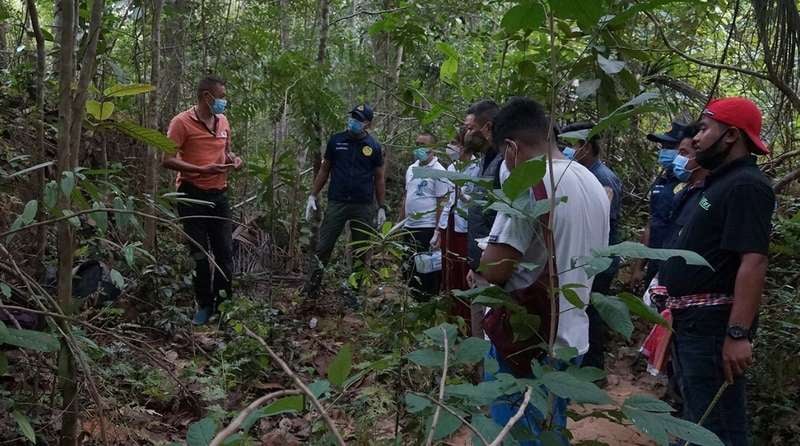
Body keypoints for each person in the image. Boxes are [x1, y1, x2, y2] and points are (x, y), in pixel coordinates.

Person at [469, 97, 610, 444]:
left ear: (512, 147)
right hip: (571, 334)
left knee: (517, 432)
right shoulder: (591, 182)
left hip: (527, 338)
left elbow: (496, 268)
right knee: (551, 427)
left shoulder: (532, 184)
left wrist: (483, 260)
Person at [659, 97, 775, 446]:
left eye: (705, 128)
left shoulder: (746, 185)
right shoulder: (719, 182)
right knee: (697, 420)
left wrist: (737, 334)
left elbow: (753, 261)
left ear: (730, 136)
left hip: (712, 330)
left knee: (717, 427)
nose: (695, 138)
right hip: (692, 326)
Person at [163, 75, 244, 325]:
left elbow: (226, 150)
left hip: (219, 194)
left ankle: (223, 306)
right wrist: (200, 169)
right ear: (206, 97)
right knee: (198, 254)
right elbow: (167, 158)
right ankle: (204, 305)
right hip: (191, 194)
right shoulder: (181, 122)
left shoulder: (223, 121)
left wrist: (234, 159)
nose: (223, 102)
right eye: (221, 97)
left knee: (224, 254)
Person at [303, 104, 386, 302]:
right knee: (324, 246)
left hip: (363, 205)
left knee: (360, 250)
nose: (354, 122)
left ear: (367, 124)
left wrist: (381, 206)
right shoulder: (336, 141)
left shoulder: (374, 146)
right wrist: (313, 195)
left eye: (359, 119)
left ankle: (354, 295)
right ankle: (311, 290)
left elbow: (379, 177)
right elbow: (325, 169)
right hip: (337, 202)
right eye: (353, 117)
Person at [559, 122, 623, 373]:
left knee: (592, 312)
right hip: (583, 258)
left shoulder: (603, 178)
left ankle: (593, 371)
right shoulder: (580, 174)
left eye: (572, 145)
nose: (567, 150)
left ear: (586, 146)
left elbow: (600, 220)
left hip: (597, 260)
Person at [432, 129, 480, 330]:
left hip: (465, 226)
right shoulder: (451, 167)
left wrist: (464, 196)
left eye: (454, 143)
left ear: (464, 146)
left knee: (463, 270)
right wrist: (437, 230)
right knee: (449, 267)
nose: (450, 147)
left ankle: (467, 320)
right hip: (449, 223)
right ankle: (451, 316)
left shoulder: (477, 167)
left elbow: (478, 201)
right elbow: (446, 199)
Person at [463, 100, 502, 337]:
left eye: (469, 128)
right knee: (478, 333)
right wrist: (474, 265)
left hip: (495, 270)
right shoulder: (485, 162)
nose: (465, 134)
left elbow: (501, 221)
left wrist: (488, 267)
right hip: (480, 267)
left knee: (491, 336)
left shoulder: (503, 166)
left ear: (486, 128)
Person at [630, 121, 686, 287]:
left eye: (670, 146)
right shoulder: (661, 180)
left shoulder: (692, 182)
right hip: (655, 260)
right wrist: (639, 266)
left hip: (676, 266)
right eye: (662, 146)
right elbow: (651, 224)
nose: (664, 151)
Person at [398, 133, 448, 298]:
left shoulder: (439, 171)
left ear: (432, 149)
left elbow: (442, 201)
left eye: (423, 145)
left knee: (426, 270)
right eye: (417, 143)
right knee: (408, 267)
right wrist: (399, 224)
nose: (419, 147)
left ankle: (427, 302)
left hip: (426, 228)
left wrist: (437, 231)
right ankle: (411, 302)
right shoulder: (411, 169)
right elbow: (407, 196)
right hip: (409, 227)